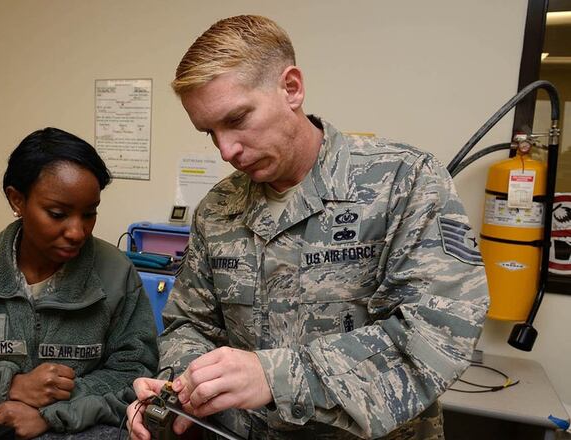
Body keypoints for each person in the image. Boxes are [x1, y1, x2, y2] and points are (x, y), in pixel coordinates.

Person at [127, 15, 488, 440]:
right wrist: (180, 386)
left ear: (292, 88)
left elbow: (437, 334)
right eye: (210, 132)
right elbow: (189, 324)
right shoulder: (217, 208)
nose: (226, 150)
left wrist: (274, 376)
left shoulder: (403, 182)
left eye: (238, 119)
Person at [0, 127, 158, 439]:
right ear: (17, 200)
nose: (77, 231)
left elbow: (137, 376)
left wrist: (52, 415)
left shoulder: (116, 275)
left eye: (89, 213)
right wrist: (10, 386)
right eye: (57, 214)